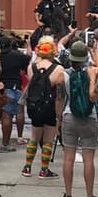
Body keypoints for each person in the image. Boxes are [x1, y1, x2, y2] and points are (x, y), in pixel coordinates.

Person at [60, 40, 98, 197]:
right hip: (89, 118)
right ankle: (89, 196)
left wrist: (59, 118)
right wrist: (94, 51)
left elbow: (60, 98)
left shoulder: (64, 74)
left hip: (69, 116)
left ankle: (68, 195)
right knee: (88, 159)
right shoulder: (92, 73)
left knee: (68, 158)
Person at [22, 38, 66, 178]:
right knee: (48, 139)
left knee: (34, 137)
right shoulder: (59, 69)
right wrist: (59, 115)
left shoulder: (31, 67)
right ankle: (44, 169)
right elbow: (59, 96)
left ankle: (27, 167)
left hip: (34, 106)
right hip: (50, 107)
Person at [0, 36, 29, 158]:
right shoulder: (16, 55)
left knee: (6, 116)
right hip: (16, 86)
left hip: (3, 87)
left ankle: (5, 142)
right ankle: (13, 139)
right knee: (18, 112)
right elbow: (28, 59)